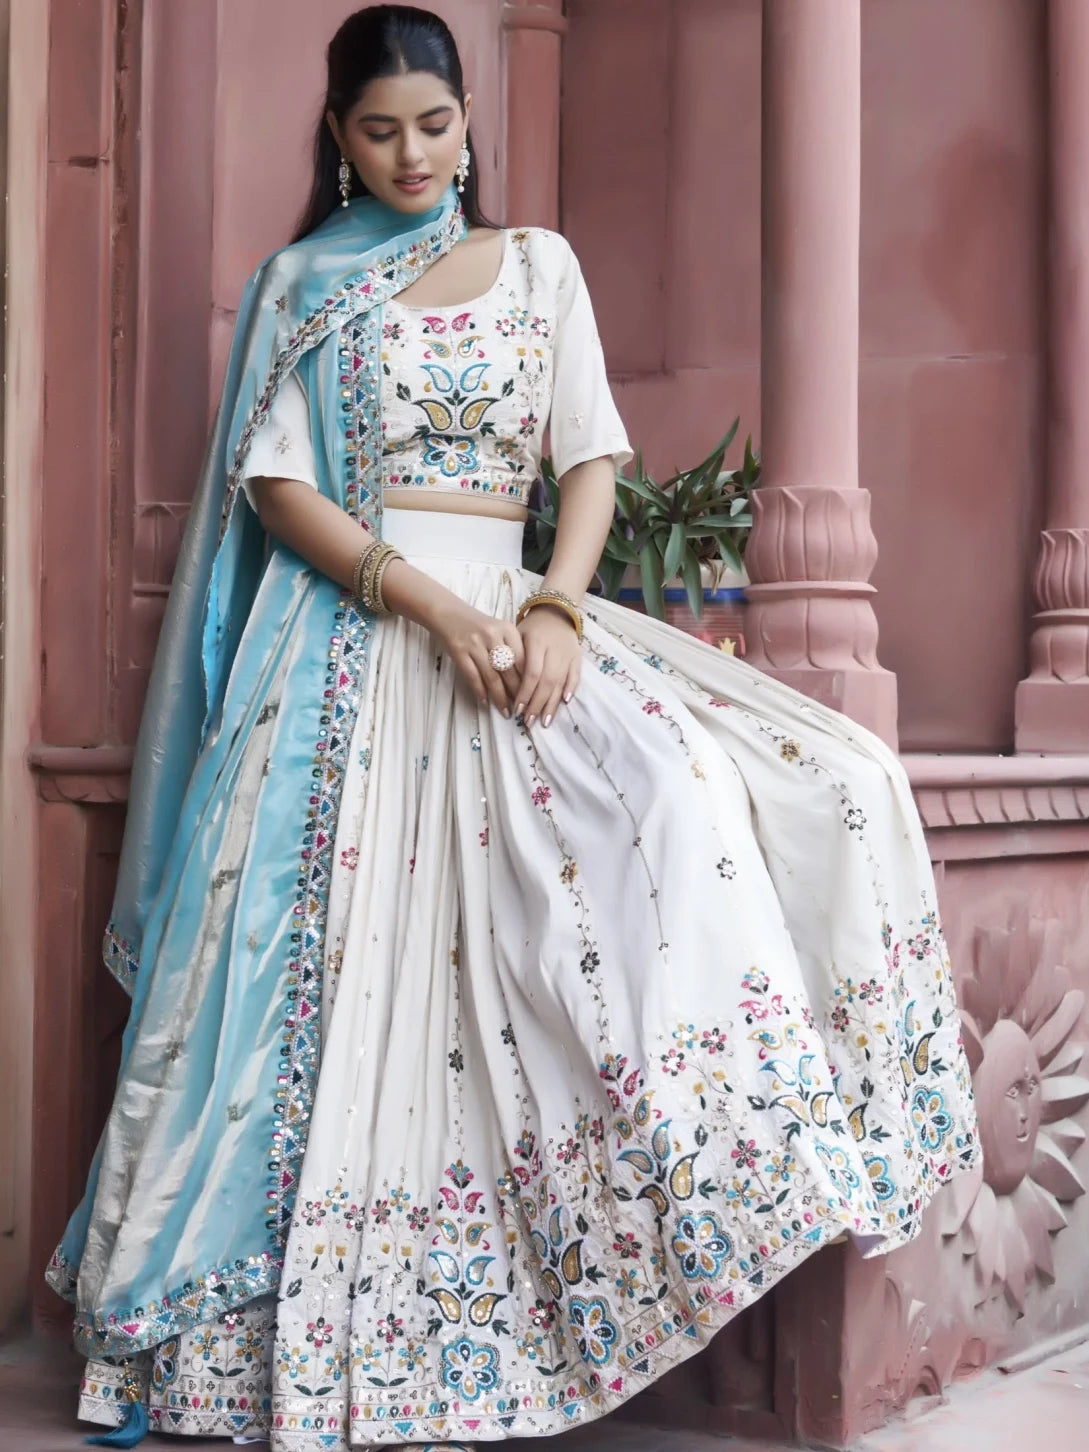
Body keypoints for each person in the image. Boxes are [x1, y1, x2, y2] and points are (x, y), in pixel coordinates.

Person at [47, 6, 979, 1449]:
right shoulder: (305, 285)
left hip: (525, 612)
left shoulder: (540, 266)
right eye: (379, 129)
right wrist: (436, 612)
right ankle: (286, 1334)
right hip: (362, 642)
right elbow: (282, 491)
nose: (412, 152)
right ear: (338, 140)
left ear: (468, 116)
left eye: (433, 121)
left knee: (787, 786)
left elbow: (589, 453)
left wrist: (549, 608)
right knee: (343, 980)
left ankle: (724, 1168)